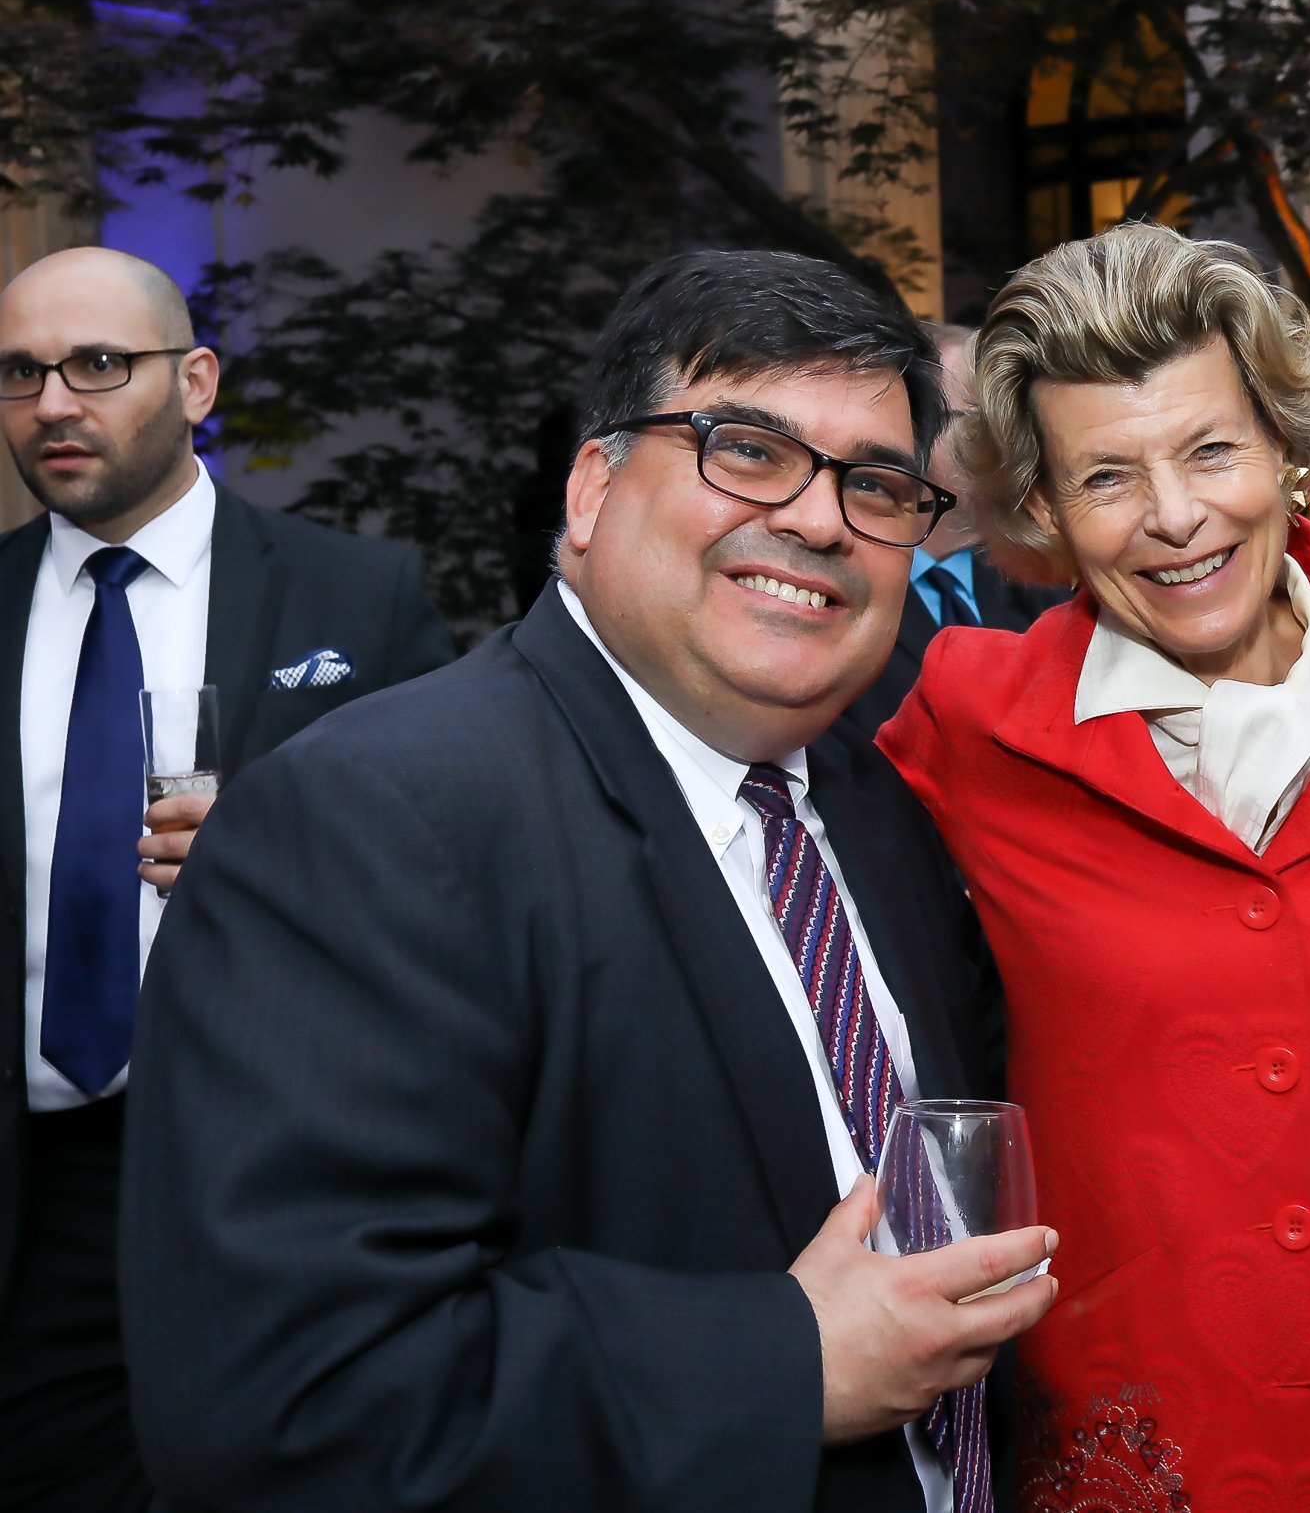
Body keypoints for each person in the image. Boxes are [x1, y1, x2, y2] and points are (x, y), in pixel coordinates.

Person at [118, 249, 1058, 1512]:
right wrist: (784, 1360)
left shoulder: (887, 798)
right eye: (748, 449)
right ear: (592, 485)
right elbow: (288, 1400)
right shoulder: (366, 822)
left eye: (878, 484)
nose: (821, 518)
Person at [879, 224, 1310, 1513]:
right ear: (1044, 508)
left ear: (1284, 448)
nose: (1174, 516)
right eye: (1106, 475)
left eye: (1212, 447)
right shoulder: (968, 724)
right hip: (1145, 1445)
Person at [0, 245, 454, 1512]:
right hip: (43, 1196)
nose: (53, 404)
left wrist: (296, 845)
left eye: (98, 364)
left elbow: (466, 863)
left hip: (286, 1164)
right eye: (21, 373)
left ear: (197, 380)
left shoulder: (358, 595)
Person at [843, 322, 1067, 733]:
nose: (1018, 440)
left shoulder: (1050, 588)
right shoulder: (835, 588)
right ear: (912, 431)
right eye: (987, 418)